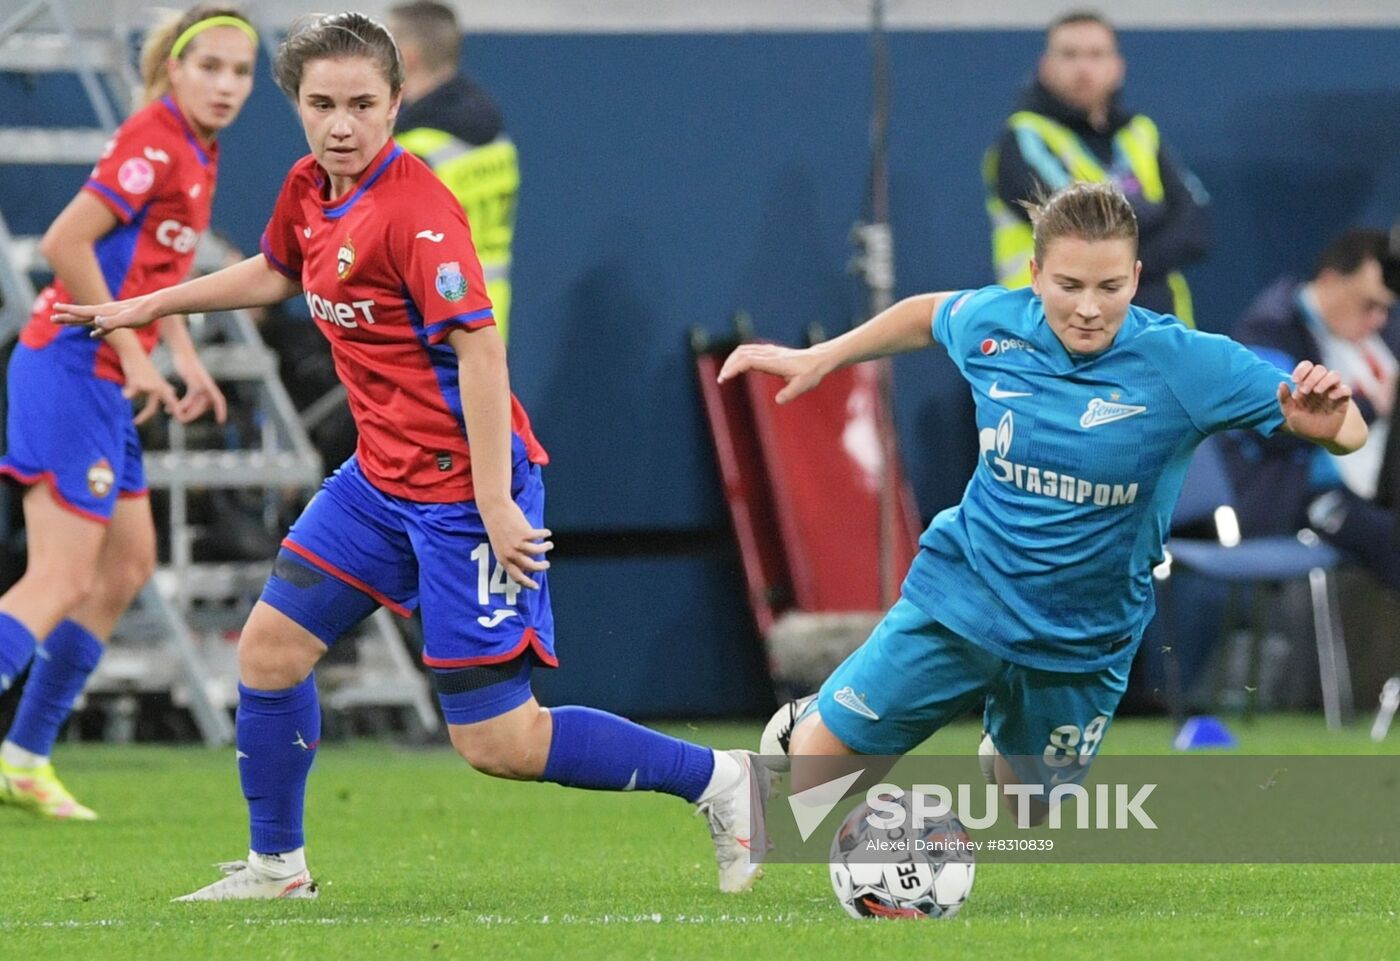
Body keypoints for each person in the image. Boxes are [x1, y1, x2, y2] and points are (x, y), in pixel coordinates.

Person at [56, 12, 764, 900]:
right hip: (376, 483)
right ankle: (277, 870)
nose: (341, 123)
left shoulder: (417, 212)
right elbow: (277, 271)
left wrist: (498, 501)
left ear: (396, 102)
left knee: (498, 742)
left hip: (464, 493)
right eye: (321, 104)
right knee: (270, 651)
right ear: (299, 107)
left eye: (361, 103)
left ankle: (721, 780)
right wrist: (152, 306)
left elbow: (481, 352)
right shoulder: (310, 187)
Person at [720, 181, 1364, 820]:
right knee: (813, 780)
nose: (1088, 308)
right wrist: (826, 355)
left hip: (1084, 638)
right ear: (1035, 273)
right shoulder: (998, 324)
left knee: (1028, 808)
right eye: (1068, 286)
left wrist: (1329, 427)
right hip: (965, 596)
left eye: (1109, 288)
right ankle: (819, 721)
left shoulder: (1187, 363)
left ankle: (1002, 738)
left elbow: (1348, 428)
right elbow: (925, 315)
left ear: (1137, 278)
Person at [0, 4, 255, 820]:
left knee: (124, 567)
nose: (225, 84)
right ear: (171, 70)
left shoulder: (197, 149)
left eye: (240, 71)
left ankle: (24, 757)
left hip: (107, 373)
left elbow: (156, 275)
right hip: (72, 364)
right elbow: (65, 243)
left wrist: (181, 356)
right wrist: (137, 350)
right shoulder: (154, 138)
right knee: (62, 575)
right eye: (208, 66)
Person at [985, 10, 1209, 324]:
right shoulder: (1024, 137)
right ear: (1046, 67)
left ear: (1117, 67)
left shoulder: (1140, 133)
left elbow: (1194, 229)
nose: (1083, 68)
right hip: (1054, 336)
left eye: (1096, 54)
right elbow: (1079, 230)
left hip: (1157, 328)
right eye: (1069, 55)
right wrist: (1149, 215)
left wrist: (1120, 248)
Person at [1223, 229, 1400, 588]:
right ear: (1332, 281)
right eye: (1370, 305)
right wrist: (1370, 406)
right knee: (1387, 536)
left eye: (1387, 307)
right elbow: (1270, 425)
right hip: (1295, 492)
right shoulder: (1268, 330)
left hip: (1373, 485)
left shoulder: (1376, 336)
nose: (1379, 319)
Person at [388, 1, 519, 342]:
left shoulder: (417, 151)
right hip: (486, 320)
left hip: (428, 327)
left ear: (409, 56)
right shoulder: (494, 135)